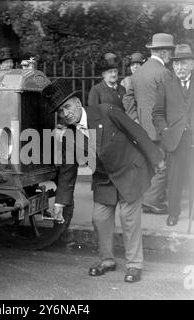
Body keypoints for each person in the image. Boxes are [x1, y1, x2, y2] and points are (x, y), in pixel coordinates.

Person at [42, 78, 165, 283]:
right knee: (100, 219)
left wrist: (157, 158)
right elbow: (67, 171)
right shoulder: (69, 137)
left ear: (78, 103)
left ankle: (134, 264)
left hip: (129, 172)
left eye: (67, 107)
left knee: (129, 218)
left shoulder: (106, 110)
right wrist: (60, 202)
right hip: (104, 179)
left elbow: (137, 132)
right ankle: (107, 261)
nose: (66, 113)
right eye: (60, 112)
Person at [123, 33, 175, 215]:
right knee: (162, 165)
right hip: (161, 130)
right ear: (163, 52)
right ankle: (152, 201)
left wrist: (135, 119)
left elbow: (128, 98)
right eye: (169, 51)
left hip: (142, 130)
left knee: (148, 165)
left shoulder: (139, 73)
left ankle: (149, 198)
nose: (171, 55)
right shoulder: (164, 73)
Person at [152, 44, 194, 226]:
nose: (179, 68)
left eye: (183, 63)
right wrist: (165, 130)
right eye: (176, 64)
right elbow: (157, 113)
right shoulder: (166, 85)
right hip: (175, 140)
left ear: (192, 64)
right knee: (174, 178)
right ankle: (174, 213)